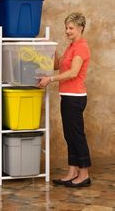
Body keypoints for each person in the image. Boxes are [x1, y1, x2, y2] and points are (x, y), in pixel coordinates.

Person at [37, 12, 91, 187]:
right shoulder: (70, 47)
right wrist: (49, 49)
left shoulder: (81, 47)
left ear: (80, 28)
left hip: (75, 97)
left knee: (76, 135)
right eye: (66, 28)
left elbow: (73, 72)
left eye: (71, 28)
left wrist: (50, 80)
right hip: (67, 97)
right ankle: (72, 172)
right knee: (69, 135)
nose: (67, 31)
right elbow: (57, 65)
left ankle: (84, 175)